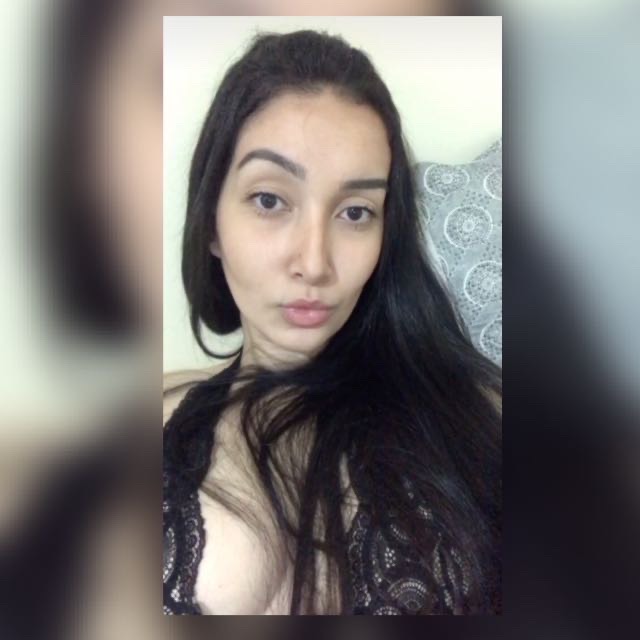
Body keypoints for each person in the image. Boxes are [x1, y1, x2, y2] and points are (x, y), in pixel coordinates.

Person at [163, 29, 502, 616]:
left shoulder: (479, 414)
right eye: (270, 200)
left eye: (355, 212)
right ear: (212, 222)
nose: (315, 263)